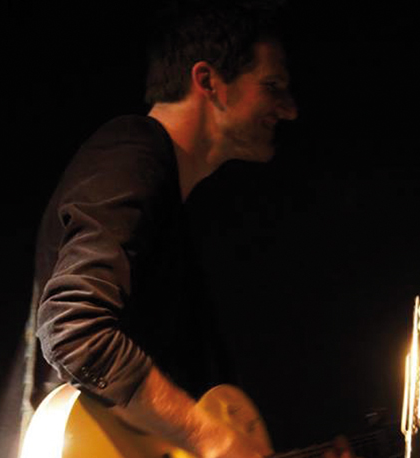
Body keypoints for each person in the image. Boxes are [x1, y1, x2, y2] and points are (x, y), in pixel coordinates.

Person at [23, 3, 314, 458]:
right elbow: (73, 329)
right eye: (272, 86)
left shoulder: (166, 203)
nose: (290, 110)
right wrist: (210, 436)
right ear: (208, 81)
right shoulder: (132, 152)